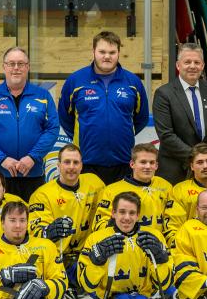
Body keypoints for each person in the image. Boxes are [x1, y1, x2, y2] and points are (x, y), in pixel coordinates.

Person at [78, 191, 173, 299]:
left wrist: (160, 259)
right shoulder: (96, 238)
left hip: (143, 294)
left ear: (138, 215)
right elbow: (87, 285)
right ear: (113, 213)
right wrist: (97, 262)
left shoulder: (153, 236)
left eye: (132, 213)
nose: (127, 218)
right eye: (122, 212)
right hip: (112, 296)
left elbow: (163, 284)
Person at [58, 31, 150, 184]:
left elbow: (141, 118)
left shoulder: (133, 82)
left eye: (112, 52)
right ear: (93, 51)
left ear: (118, 53)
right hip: (86, 162)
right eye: (102, 52)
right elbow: (65, 118)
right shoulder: (75, 81)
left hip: (124, 161)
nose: (107, 56)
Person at [0, 46, 60, 201]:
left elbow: (52, 129)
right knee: (1, 221)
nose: (16, 68)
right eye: (11, 63)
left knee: (33, 221)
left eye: (21, 64)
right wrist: (3, 160)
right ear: (4, 67)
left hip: (33, 173)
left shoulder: (43, 96)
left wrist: (33, 157)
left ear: (28, 67)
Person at [28, 143, 105, 295]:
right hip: (60, 259)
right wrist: (48, 232)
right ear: (58, 165)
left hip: (88, 253)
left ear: (82, 165)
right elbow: (35, 235)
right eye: (67, 162)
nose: (71, 167)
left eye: (75, 162)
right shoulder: (42, 195)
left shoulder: (94, 183)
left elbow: (107, 213)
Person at [153, 43, 207, 184]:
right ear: (178, 65)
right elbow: (166, 134)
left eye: (197, 62)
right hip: (174, 170)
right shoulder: (164, 93)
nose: (192, 66)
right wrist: (196, 157)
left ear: (203, 65)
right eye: (187, 62)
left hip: (206, 170)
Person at [94, 143, 173, 236]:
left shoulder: (166, 186)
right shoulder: (111, 190)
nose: (148, 166)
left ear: (156, 165)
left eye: (151, 162)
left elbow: (172, 221)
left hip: (157, 245)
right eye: (143, 162)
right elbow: (99, 224)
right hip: (124, 246)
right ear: (132, 164)